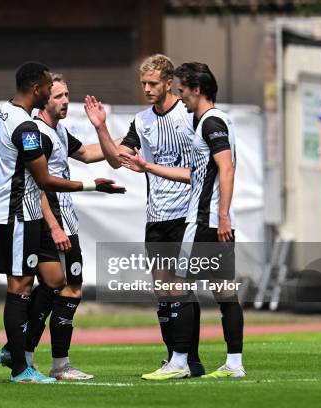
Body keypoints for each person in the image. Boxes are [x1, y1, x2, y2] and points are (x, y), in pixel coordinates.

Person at [0, 61, 125, 383]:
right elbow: (44, 179)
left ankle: (21, 353)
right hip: (21, 214)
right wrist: (92, 186)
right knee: (21, 287)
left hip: (19, 213)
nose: (55, 97)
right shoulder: (29, 129)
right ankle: (21, 366)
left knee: (53, 282)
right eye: (51, 90)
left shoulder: (2, 114)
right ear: (37, 90)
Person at [119, 61, 245, 379]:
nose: (181, 95)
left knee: (177, 289)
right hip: (214, 221)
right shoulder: (218, 119)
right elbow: (201, 172)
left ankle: (179, 362)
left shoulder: (209, 122)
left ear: (197, 89)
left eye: (184, 89)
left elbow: (226, 167)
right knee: (224, 292)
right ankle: (234, 363)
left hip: (203, 220)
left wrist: (223, 215)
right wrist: (149, 167)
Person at [84, 54, 204, 380]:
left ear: (169, 83)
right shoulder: (142, 121)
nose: (147, 89)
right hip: (157, 216)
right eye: (143, 84)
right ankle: (177, 360)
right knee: (163, 291)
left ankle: (185, 360)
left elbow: (199, 171)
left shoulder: (189, 115)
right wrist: (102, 127)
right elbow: (114, 159)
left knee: (180, 289)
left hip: (186, 214)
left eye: (153, 83)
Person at [22, 73, 122, 380]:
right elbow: (35, 185)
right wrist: (53, 227)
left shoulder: (60, 131)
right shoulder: (35, 133)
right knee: (63, 288)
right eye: (59, 96)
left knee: (65, 288)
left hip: (67, 222)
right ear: (43, 99)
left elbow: (90, 154)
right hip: (52, 223)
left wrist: (119, 133)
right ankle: (41, 360)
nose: (65, 101)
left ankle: (31, 355)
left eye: (67, 95)